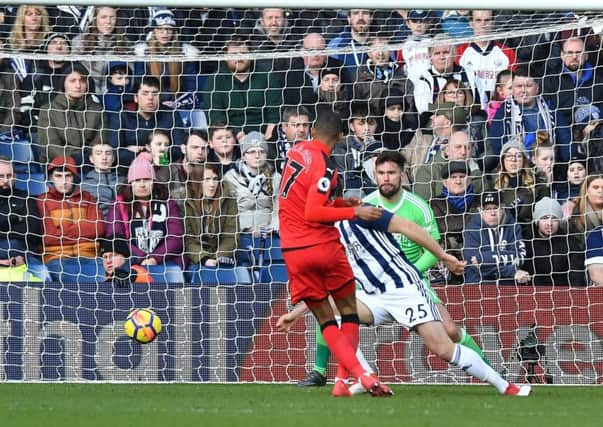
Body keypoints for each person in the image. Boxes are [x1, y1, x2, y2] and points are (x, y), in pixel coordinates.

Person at [277, 208, 531, 397]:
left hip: (405, 289)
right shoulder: (321, 237)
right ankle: (366, 375)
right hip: (372, 295)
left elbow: (407, 227)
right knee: (339, 314)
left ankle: (505, 386)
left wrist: (443, 256)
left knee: (443, 349)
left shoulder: (360, 212)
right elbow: (324, 291)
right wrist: (296, 314)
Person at [278, 109, 393, 397]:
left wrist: (340, 200)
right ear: (341, 137)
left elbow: (311, 196)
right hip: (322, 246)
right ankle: (357, 378)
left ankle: (347, 383)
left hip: (293, 251)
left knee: (325, 320)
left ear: (312, 132)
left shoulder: (297, 152)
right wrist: (355, 211)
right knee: (348, 312)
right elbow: (314, 211)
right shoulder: (327, 166)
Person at [104, 153, 186, 280]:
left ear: (153, 181)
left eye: (146, 179)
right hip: (131, 263)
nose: (142, 184)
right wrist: (142, 257)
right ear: (130, 183)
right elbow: (116, 238)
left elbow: (176, 238)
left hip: (165, 261)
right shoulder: (119, 204)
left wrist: (154, 258)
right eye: (137, 180)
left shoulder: (168, 202)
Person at [485, 66, 573, 172]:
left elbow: (565, 137)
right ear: (512, 89)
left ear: (537, 88)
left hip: (549, 164)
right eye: (519, 86)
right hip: (517, 169)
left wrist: (566, 164)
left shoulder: (550, 107)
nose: (523, 91)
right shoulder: (503, 112)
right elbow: (497, 144)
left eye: (528, 86)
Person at [37, 156, 104, 279]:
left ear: (74, 177)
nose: (64, 181)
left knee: (103, 281)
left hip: (90, 256)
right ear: (51, 177)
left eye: (68, 175)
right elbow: (48, 237)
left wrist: (63, 229)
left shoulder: (88, 198)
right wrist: (82, 229)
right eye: (58, 176)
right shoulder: (42, 200)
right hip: (57, 258)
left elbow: (98, 229)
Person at [203, 36, 281, 139]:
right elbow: (216, 116)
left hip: (264, 137)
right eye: (233, 55)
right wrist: (239, 136)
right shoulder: (214, 81)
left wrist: (266, 140)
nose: (238, 58)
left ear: (251, 55)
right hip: (230, 138)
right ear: (225, 56)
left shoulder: (268, 76)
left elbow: (274, 114)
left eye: (243, 54)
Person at [109, 76, 186, 168]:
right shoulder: (121, 115)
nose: (150, 98)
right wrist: (157, 153)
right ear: (136, 98)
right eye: (145, 93)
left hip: (164, 169)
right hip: (129, 171)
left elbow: (178, 150)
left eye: (155, 94)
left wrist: (143, 154)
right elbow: (115, 153)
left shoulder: (171, 114)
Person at [37, 62, 105, 165]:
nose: (78, 85)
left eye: (82, 81)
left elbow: (99, 141)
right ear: (63, 83)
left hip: (91, 164)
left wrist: (88, 159)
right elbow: (51, 145)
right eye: (72, 81)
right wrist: (73, 160)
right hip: (60, 164)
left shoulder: (98, 110)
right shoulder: (48, 110)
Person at [463, 191, 529, 285]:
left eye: (496, 208)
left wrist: (484, 259)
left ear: (502, 209)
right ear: (479, 211)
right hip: (478, 287)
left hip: (508, 287)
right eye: (488, 209)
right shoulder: (471, 229)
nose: (492, 213)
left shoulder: (513, 227)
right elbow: (474, 264)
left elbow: (519, 257)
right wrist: (512, 271)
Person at [430, 161, 481, 283]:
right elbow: (444, 226)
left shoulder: (479, 200)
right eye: (453, 177)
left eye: (462, 177)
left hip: (477, 254)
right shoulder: (435, 203)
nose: (458, 181)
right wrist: (474, 216)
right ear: (444, 182)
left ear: (469, 180)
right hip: (448, 258)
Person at [456, 10, 516, 109]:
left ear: (493, 23)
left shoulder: (507, 53)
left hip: (502, 111)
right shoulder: (460, 53)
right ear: (471, 23)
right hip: (471, 111)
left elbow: (512, 85)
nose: (483, 24)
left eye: (487, 20)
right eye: (478, 20)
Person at [0, 156, 48, 281]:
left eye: (9, 175)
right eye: (1, 176)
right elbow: (23, 229)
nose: (5, 180)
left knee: (41, 275)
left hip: (24, 254)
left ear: (15, 176)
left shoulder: (26, 198)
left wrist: (3, 224)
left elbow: (32, 230)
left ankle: (32, 301)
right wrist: (15, 220)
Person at [224, 132, 280, 236]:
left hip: (268, 236)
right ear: (244, 156)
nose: (257, 156)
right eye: (252, 152)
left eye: (261, 151)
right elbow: (227, 212)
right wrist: (246, 229)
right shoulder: (230, 178)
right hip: (238, 235)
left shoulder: (276, 178)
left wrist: (271, 230)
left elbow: (278, 210)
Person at [184, 163, 238, 267]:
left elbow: (231, 236)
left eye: (215, 179)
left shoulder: (229, 200)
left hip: (222, 258)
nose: (212, 184)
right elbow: (187, 239)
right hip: (195, 260)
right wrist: (204, 258)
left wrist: (219, 257)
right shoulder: (185, 201)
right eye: (207, 179)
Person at [524, 197, 585, 286]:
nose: (549, 223)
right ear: (537, 221)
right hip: (533, 292)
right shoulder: (526, 241)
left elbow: (576, 277)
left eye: (554, 218)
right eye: (544, 218)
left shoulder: (570, 243)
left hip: (562, 293)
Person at [543, 37, 603, 126]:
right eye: (570, 53)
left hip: (592, 133)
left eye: (578, 53)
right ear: (562, 55)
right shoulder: (550, 80)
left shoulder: (598, 81)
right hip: (560, 134)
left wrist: (596, 124)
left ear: (586, 56)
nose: (574, 57)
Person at [71, 6, 129, 95]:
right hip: (87, 95)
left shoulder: (125, 44)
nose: (108, 21)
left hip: (116, 95)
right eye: (103, 17)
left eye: (112, 17)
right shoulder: (80, 42)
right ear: (95, 19)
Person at [492, 138, 550, 226]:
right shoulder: (494, 187)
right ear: (502, 160)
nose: (513, 159)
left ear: (524, 160)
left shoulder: (539, 186)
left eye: (518, 156)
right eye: (508, 156)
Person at [413, 130, 483, 201]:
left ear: (472, 152)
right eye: (458, 147)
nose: (463, 152)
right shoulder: (428, 171)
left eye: (468, 148)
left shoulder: (476, 171)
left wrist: (475, 173)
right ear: (447, 150)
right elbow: (423, 205)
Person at [413, 36, 469, 114]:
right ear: (430, 57)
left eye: (446, 53)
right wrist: (449, 110)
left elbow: (476, 101)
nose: (441, 57)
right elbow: (424, 109)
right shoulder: (424, 79)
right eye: (437, 53)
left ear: (455, 55)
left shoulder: (467, 74)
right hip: (436, 122)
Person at [80, 140, 125, 219]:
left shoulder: (124, 181)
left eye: (108, 153)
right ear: (91, 159)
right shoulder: (84, 186)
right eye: (98, 153)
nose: (104, 157)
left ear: (113, 158)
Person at [327, 9, 374, 78]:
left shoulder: (382, 44)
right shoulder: (335, 45)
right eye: (356, 13)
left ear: (371, 18)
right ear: (349, 18)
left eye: (365, 13)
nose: (360, 17)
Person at [271, 106, 311, 174]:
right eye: (296, 125)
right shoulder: (271, 149)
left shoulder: (318, 144)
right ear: (284, 127)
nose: (302, 130)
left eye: (305, 125)